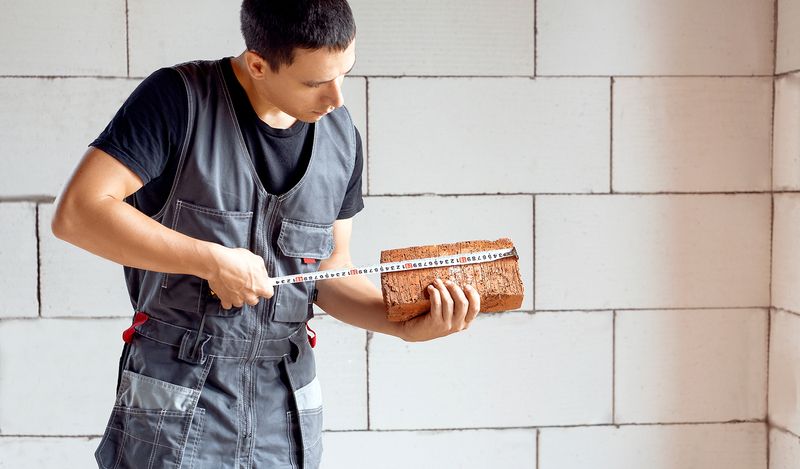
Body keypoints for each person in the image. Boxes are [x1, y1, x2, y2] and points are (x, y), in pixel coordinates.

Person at [52, 1, 481, 467]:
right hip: (178, 401)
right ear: (257, 64)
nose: (336, 98)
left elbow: (329, 272)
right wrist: (209, 260)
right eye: (315, 82)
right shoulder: (178, 100)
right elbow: (78, 212)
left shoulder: (340, 137)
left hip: (286, 407)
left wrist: (401, 326)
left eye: (345, 73)